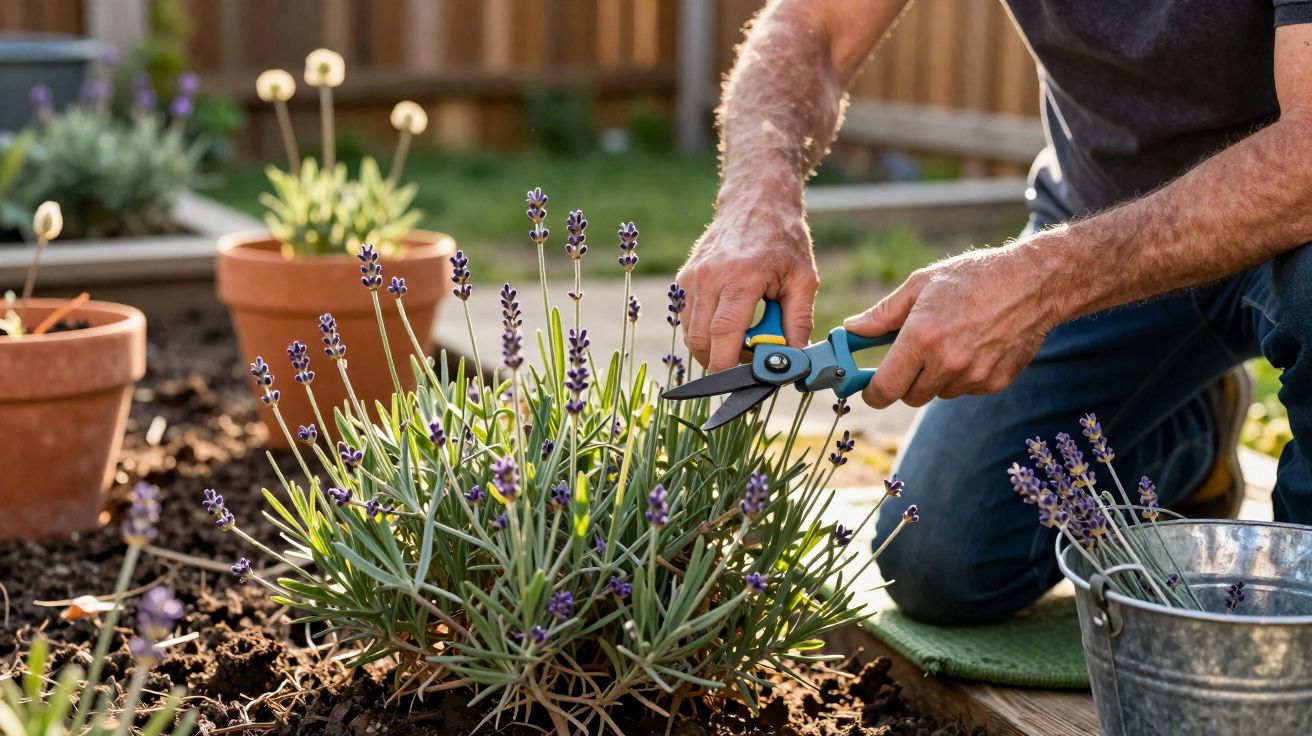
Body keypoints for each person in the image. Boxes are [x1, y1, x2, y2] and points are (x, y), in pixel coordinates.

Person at [676, 0, 1312, 625]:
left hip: (1291, 226)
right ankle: (1188, 433)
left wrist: (1039, 281)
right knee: (936, 563)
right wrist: (757, 197)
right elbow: (812, 23)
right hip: (1099, 226)